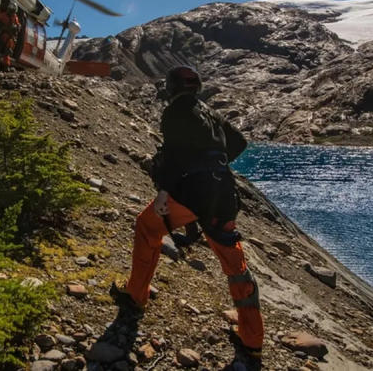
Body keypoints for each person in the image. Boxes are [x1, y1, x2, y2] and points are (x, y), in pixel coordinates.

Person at [113, 66, 264, 371]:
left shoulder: (174, 112)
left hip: (193, 192)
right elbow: (239, 143)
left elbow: (173, 156)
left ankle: (136, 295)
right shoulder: (209, 112)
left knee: (147, 226)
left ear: (171, 87)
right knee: (234, 262)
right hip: (223, 192)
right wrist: (214, 159)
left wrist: (163, 193)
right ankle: (252, 340)